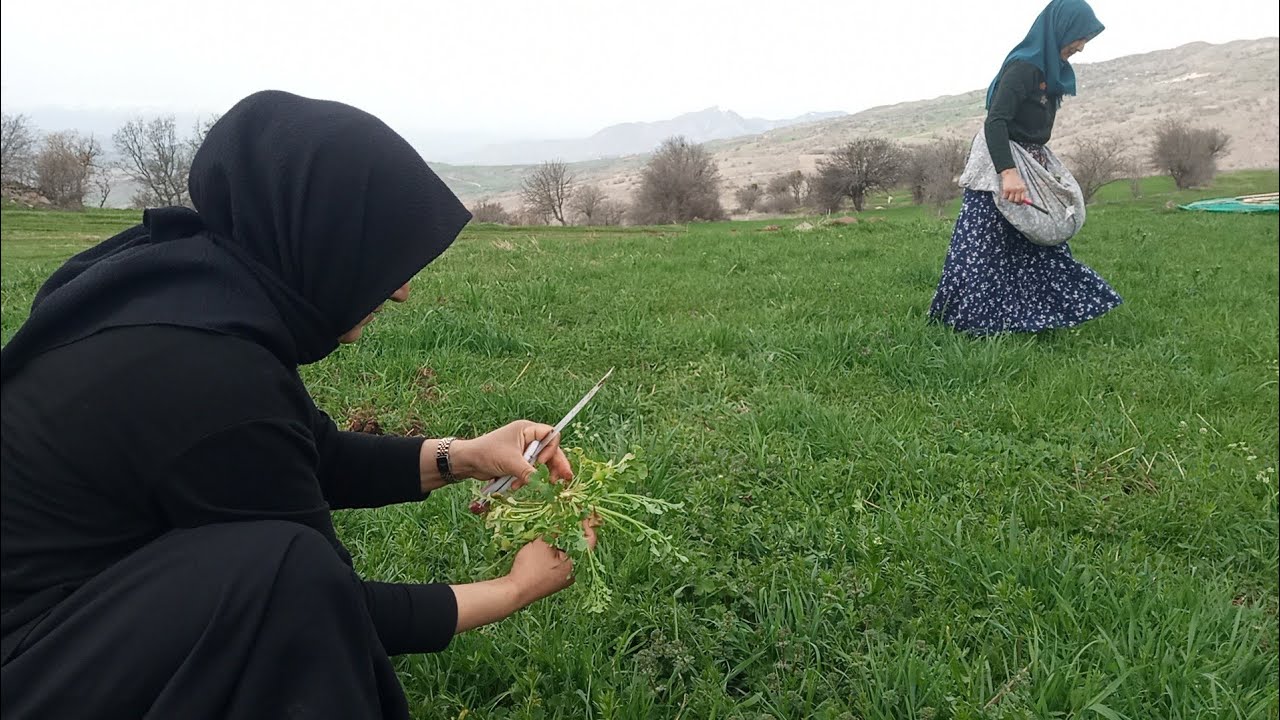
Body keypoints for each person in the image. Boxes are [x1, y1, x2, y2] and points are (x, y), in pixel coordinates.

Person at [0, 90, 599, 719]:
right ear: (324, 238)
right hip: (28, 664)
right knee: (283, 572)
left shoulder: (189, 286)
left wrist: (464, 456)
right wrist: (513, 589)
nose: (400, 291)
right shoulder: (210, 372)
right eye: (384, 257)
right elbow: (324, 604)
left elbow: (301, 452)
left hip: (65, 616)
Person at [929, 0, 1122, 335]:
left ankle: (1029, 318)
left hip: (1029, 160)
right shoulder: (1024, 67)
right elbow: (995, 121)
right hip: (1000, 165)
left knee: (1038, 239)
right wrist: (1008, 173)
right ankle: (972, 326)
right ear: (1061, 29)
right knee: (985, 248)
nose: (1081, 46)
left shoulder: (1050, 71)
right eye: (1080, 37)